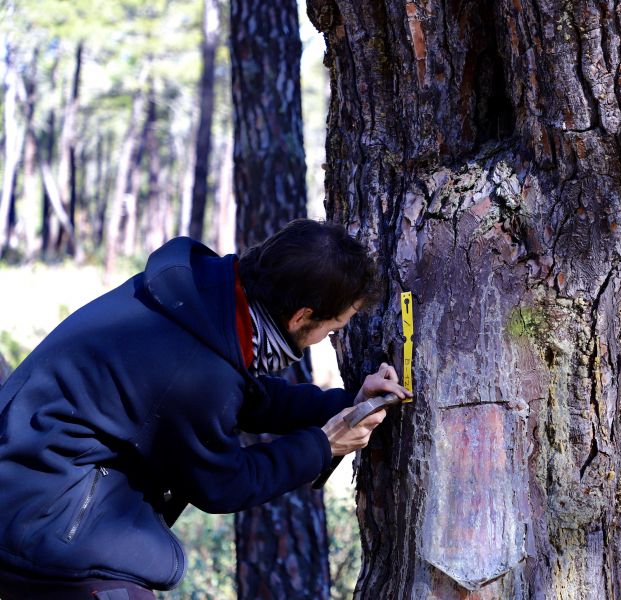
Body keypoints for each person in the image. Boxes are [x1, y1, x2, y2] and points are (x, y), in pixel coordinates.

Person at [0, 219, 409, 599]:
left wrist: (349, 403)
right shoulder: (197, 363)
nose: (329, 336)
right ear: (302, 316)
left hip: (33, 485)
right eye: (334, 327)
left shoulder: (206, 296)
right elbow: (224, 483)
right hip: (41, 519)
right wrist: (324, 445)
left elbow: (242, 397)